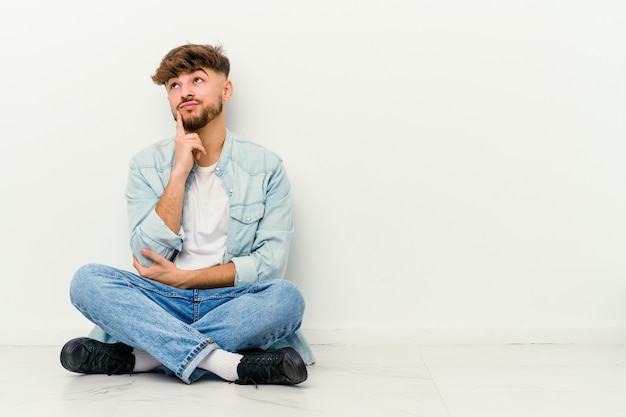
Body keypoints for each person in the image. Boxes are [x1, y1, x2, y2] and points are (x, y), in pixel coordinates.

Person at [59, 44, 314, 385]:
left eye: (197, 79)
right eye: (174, 86)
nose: (185, 92)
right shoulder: (146, 165)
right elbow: (145, 258)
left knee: (286, 298)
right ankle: (230, 365)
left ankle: (144, 358)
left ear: (226, 89)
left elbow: (269, 264)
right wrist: (179, 172)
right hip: (163, 302)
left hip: (231, 303)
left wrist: (188, 278)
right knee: (87, 281)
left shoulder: (267, 167)